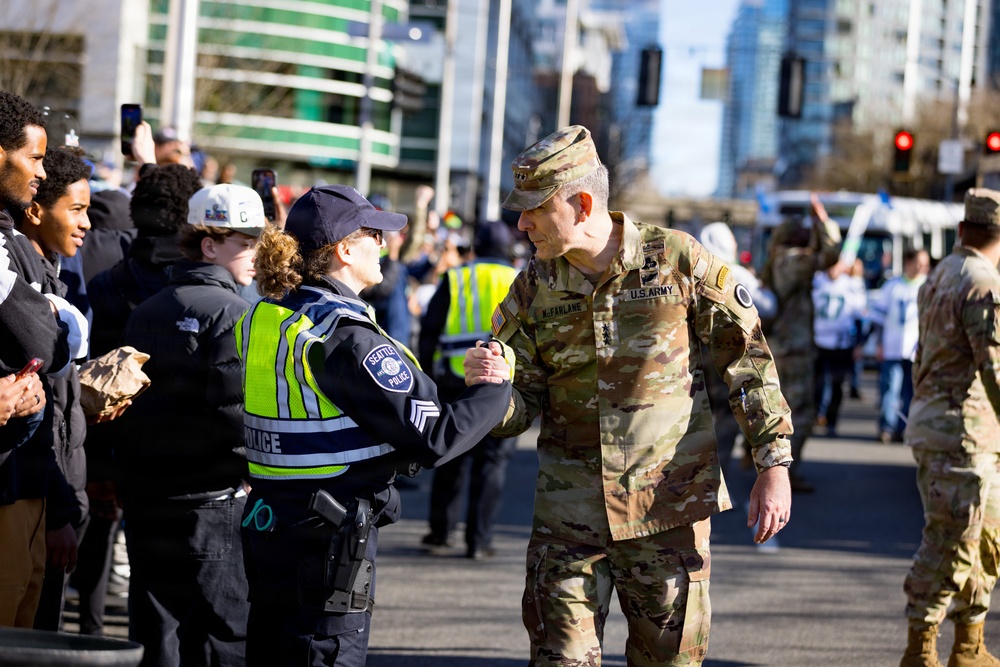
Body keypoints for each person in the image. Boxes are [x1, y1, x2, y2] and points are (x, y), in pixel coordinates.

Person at [466, 125, 792, 666]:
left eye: (533, 209)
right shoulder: (532, 287)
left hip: (668, 514)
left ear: (582, 203)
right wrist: (496, 389)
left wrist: (773, 463)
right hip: (568, 520)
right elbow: (520, 406)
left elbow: (749, 362)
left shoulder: (678, 261)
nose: (520, 223)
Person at [237, 184, 512, 667]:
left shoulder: (267, 318)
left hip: (269, 528)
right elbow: (436, 438)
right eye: (373, 234)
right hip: (326, 546)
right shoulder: (346, 337)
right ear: (344, 249)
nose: (384, 244)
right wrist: (493, 388)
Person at [115, 184, 265, 666]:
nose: (255, 255)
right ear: (209, 244)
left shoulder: (148, 310)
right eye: (245, 243)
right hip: (211, 502)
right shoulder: (235, 312)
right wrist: (253, 472)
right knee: (222, 636)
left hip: (145, 500)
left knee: (156, 632)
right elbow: (236, 413)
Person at [899, 189, 1000, 667]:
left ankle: (969, 644)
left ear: (964, 229)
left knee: (982, 538)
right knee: (953, 540)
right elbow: (995, 369)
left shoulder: (940, 273)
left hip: (946, 427)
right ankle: (921, 649)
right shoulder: (984, 283)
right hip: (964, 433)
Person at [0, 90, 73, 629]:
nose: (43, 173)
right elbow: (41, 340)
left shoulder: (10, 238)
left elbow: (54, 340)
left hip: (22, 480)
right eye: (36, 158)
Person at [16, 147, 97, 631]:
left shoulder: (54, 278)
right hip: (44, 510)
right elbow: (41, 420)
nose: (87, 223)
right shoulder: (27, 295)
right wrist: (60, 514)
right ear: (35, 211)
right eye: (77, 209)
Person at [418, 220, 520, 559]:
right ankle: (479, 541)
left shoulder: (457, 277)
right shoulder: (521, 281)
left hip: (453, 378)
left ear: (475, 247)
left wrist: (426, 376)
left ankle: (440, 533)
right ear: (508, 249)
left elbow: (430, 328)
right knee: (492, 463)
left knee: (450, 454)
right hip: (502, 382)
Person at [760, 194, 841, 492]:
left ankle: (758, 458)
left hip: (781, 346)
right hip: (794, 349)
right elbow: (831, 256)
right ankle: (782, 472)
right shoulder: (794, 261)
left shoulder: (777, 260)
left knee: (778, 408)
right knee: (801, 413)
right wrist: (824, 221)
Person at [698, 222, 778, 475]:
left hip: (698, 353)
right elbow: (768, 306)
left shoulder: (694, 269)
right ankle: (717, 472)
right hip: (728, 353)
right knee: (727, 412)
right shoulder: (734, 273)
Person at [870, 248, 929, 444]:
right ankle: (887, 427)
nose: (922, 267)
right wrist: (879, 343)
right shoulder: (892, 286)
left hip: (916, 350)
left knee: (911, 392)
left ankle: (904, 428)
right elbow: (878, 318)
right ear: (908, 262)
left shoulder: (928, 286)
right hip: (892, 346)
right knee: (890, 388)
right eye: (919, 262)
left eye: (925, 263)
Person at [811, 260, 866, 438]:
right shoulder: (817, 281)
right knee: (817, 382)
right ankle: (817, 414)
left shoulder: (852, 285)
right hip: (819, 340)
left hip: (842, 342)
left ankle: (831, 420)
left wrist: (858, 343)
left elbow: (860, 316)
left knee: (837, 383)